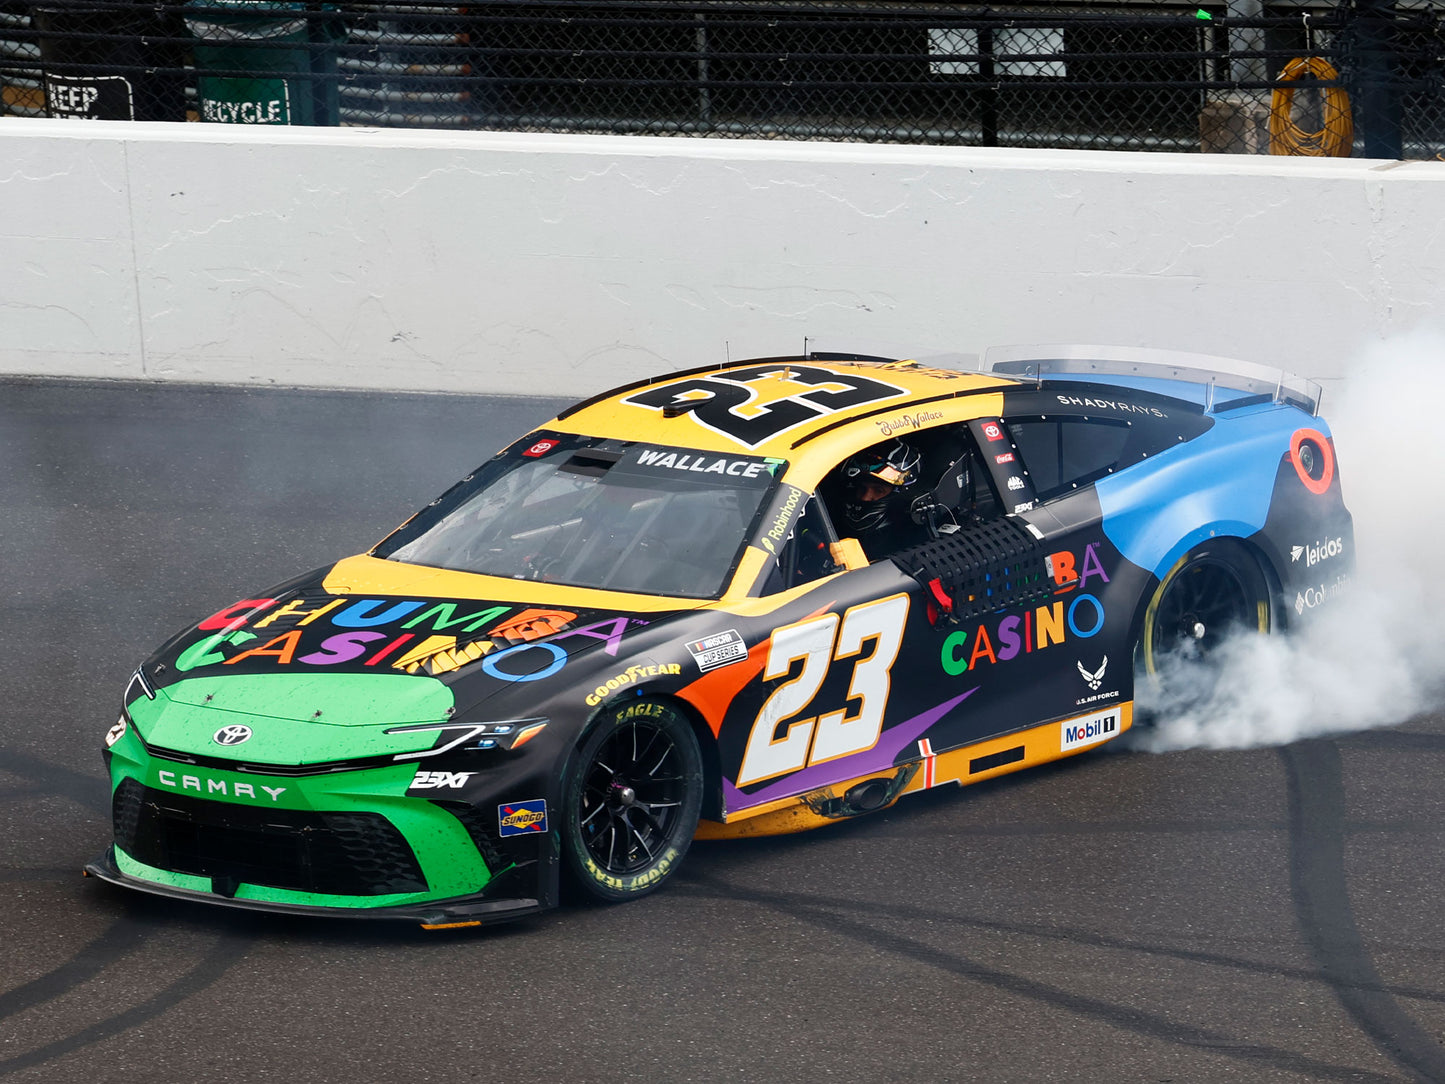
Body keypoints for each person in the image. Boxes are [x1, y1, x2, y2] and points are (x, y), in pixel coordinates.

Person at [835, 438, 929, 559]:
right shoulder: (831, 516)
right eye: (861, 488)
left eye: (878, 490)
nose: (865, 498)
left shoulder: (915, 540)